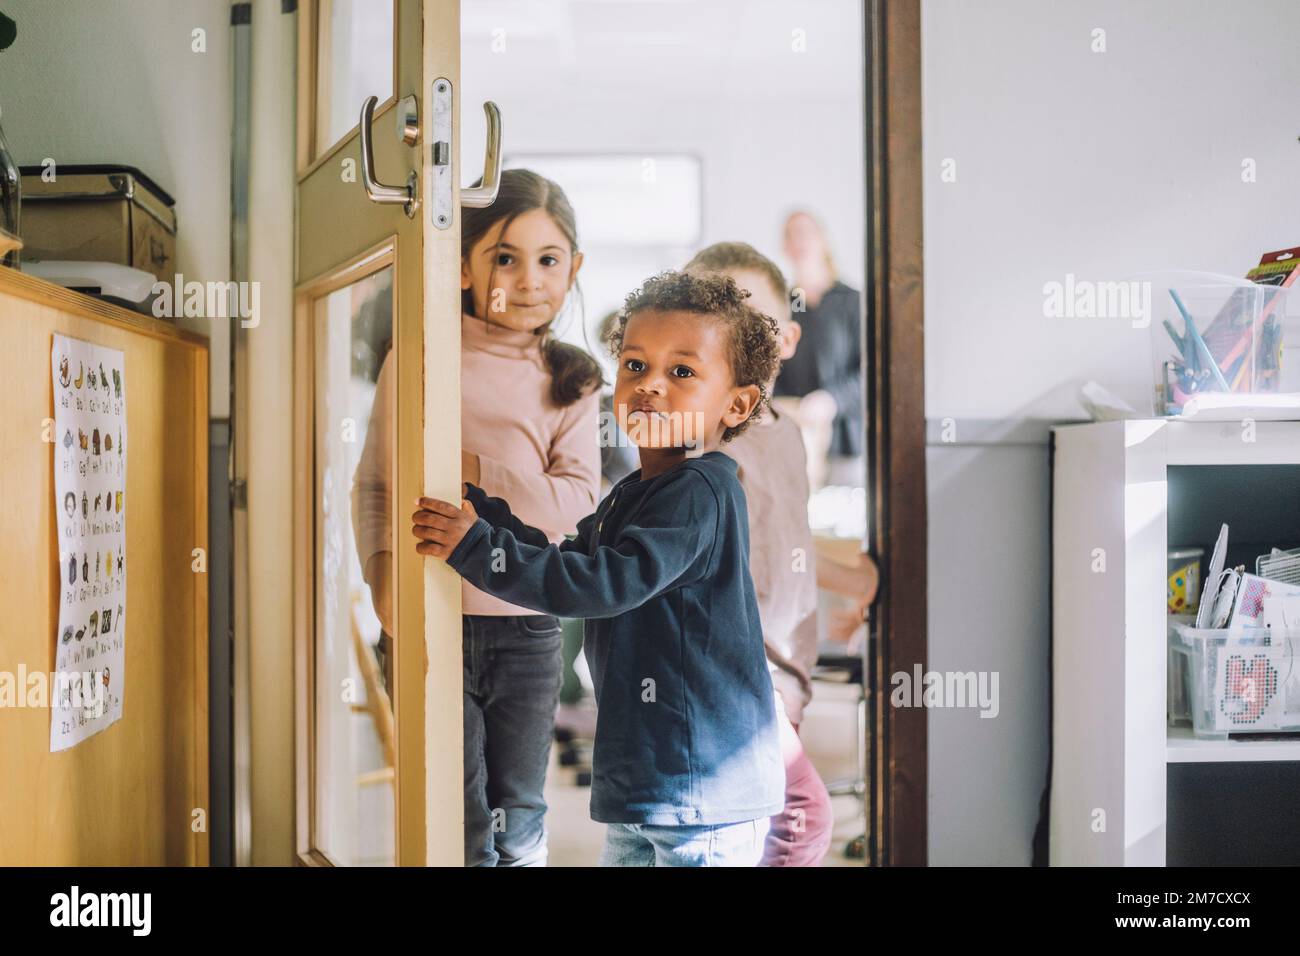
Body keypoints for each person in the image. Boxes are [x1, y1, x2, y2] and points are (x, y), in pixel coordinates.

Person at [411, 270, 785, 866]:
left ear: (737, 403)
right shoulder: (635, 490)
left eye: (682, 372)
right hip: (647, 781)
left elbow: (602, 586)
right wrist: (484, 517)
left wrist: (476, 547)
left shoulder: (699, 492)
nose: (651, 386)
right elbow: (570, 560)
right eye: (635, 366)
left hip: (702, 790)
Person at [351, 168, 602, 866]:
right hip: (428, 619)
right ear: (463, 266)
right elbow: (375, 485)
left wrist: (472, 472)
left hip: (527, 628)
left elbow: (575, 498)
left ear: (573, 268)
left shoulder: (573, 381)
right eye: (505, 258)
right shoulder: (420, 360)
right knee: (454, 816)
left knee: (516, 810)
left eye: (549, 260)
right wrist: (380, 580)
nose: (529, 280)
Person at [684, 241, 836, 865]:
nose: (736, 336)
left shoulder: (790, 435)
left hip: (786, 668)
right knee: (804, 817)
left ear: (790, 338)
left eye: (754, 319)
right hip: (737, 681)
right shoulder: (702, 440)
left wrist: (857, 586)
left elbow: (787, 544)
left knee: (757, 826)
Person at [774, 210, 864, 489]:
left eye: (805, 232)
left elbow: (870, 372)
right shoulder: (784, 306)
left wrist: (832, 400)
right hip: (796, 443)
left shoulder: (851, 302)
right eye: (791, 235)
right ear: (785, 247)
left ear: (822, 240)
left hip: (846, 444)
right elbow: (774, 371)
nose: (798, 241)